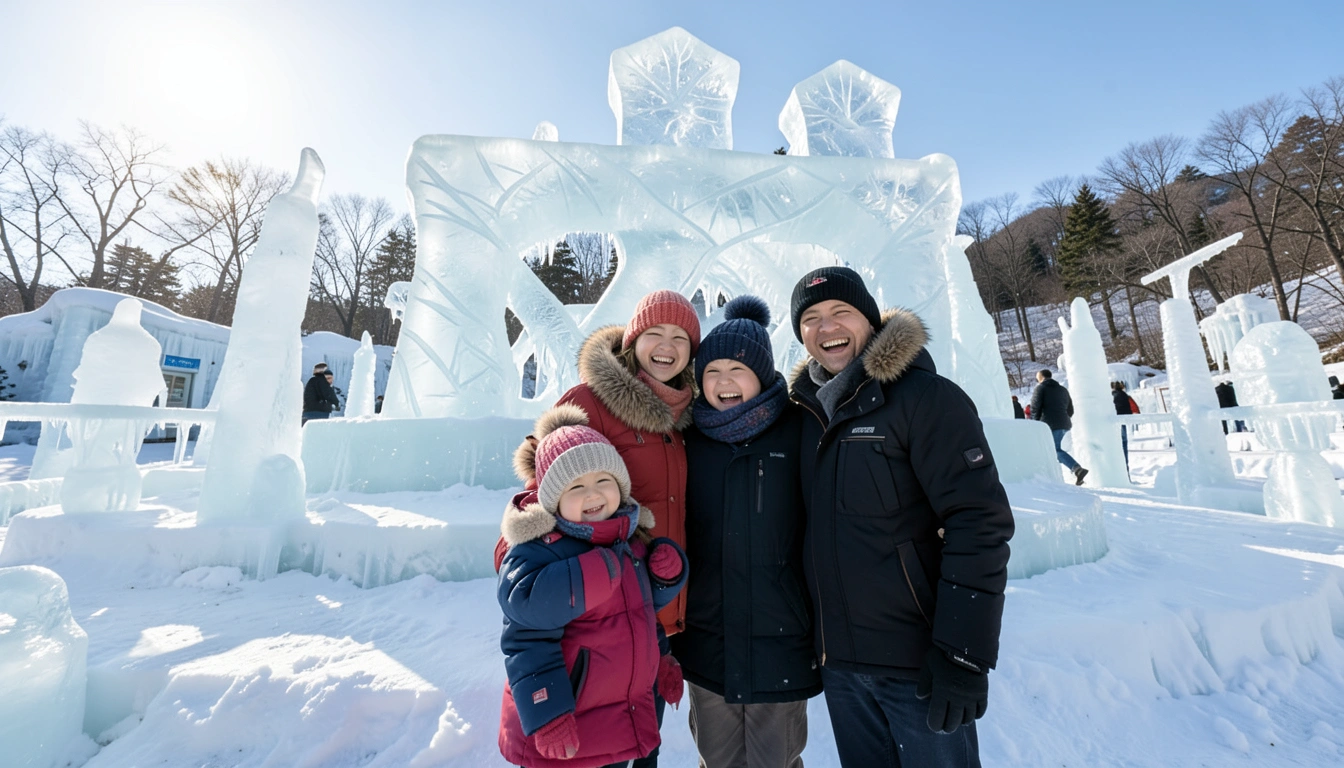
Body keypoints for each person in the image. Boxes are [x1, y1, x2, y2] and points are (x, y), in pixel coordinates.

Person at [787, 266, 1014, 768]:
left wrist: (963, 650)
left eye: (841, 312)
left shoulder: (925, 400)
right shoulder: (801, 414)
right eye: (812, 318)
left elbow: (978, 521)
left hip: (917, 662)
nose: (828, 328)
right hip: (841, 666)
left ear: (868, 319)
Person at [531, 289, 701, 767]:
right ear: (633, 341)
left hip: (654, 616)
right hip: (599, 619)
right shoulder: (590, 401)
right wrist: (523, 560)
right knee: (599, 756)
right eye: (654, 333)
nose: (666, 346)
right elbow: (537, 490)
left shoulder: (686, 415)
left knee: (643, 749)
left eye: (679, 337)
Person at [496, 406, 688, 768]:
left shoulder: (629, 541)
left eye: (604, 481)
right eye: (576, 486)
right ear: (553, 499)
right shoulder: (542, 553)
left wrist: (660, 661)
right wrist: (547, 713)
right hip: (565, 731)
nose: (594, 494)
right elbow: (527, 642)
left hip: (614, 721)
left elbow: (637, 617)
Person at [674, 296, 821, 768]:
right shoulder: (688, 439)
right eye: (711, 371)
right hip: (706, 636)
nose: (722, 381)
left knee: (775, 760)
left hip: (779, 634)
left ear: (761, 373)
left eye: (736, 368)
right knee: (715, 760)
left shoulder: (799, 429)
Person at [1031, 369, 1088, 485]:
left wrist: (1035, 423)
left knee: (1053, 450)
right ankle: (1066, 473)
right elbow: (1070, 409)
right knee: (1052, 450)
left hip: (1049, 424)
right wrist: (1064, 418)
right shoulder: (1062, 389)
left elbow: (1035, 407)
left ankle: (1076, 469)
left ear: (1041, 377)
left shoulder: (1040, 388)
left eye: (1037, 377)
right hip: (1064, 423)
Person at [1112, 381, 1133, 472]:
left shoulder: (1112, 396)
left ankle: (1119, 469)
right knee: (1124, 444)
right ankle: (1126, 469)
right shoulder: (1125, 395)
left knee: (1117, 445)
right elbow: (1129, 410)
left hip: (1115, 423)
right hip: (1123, 421)